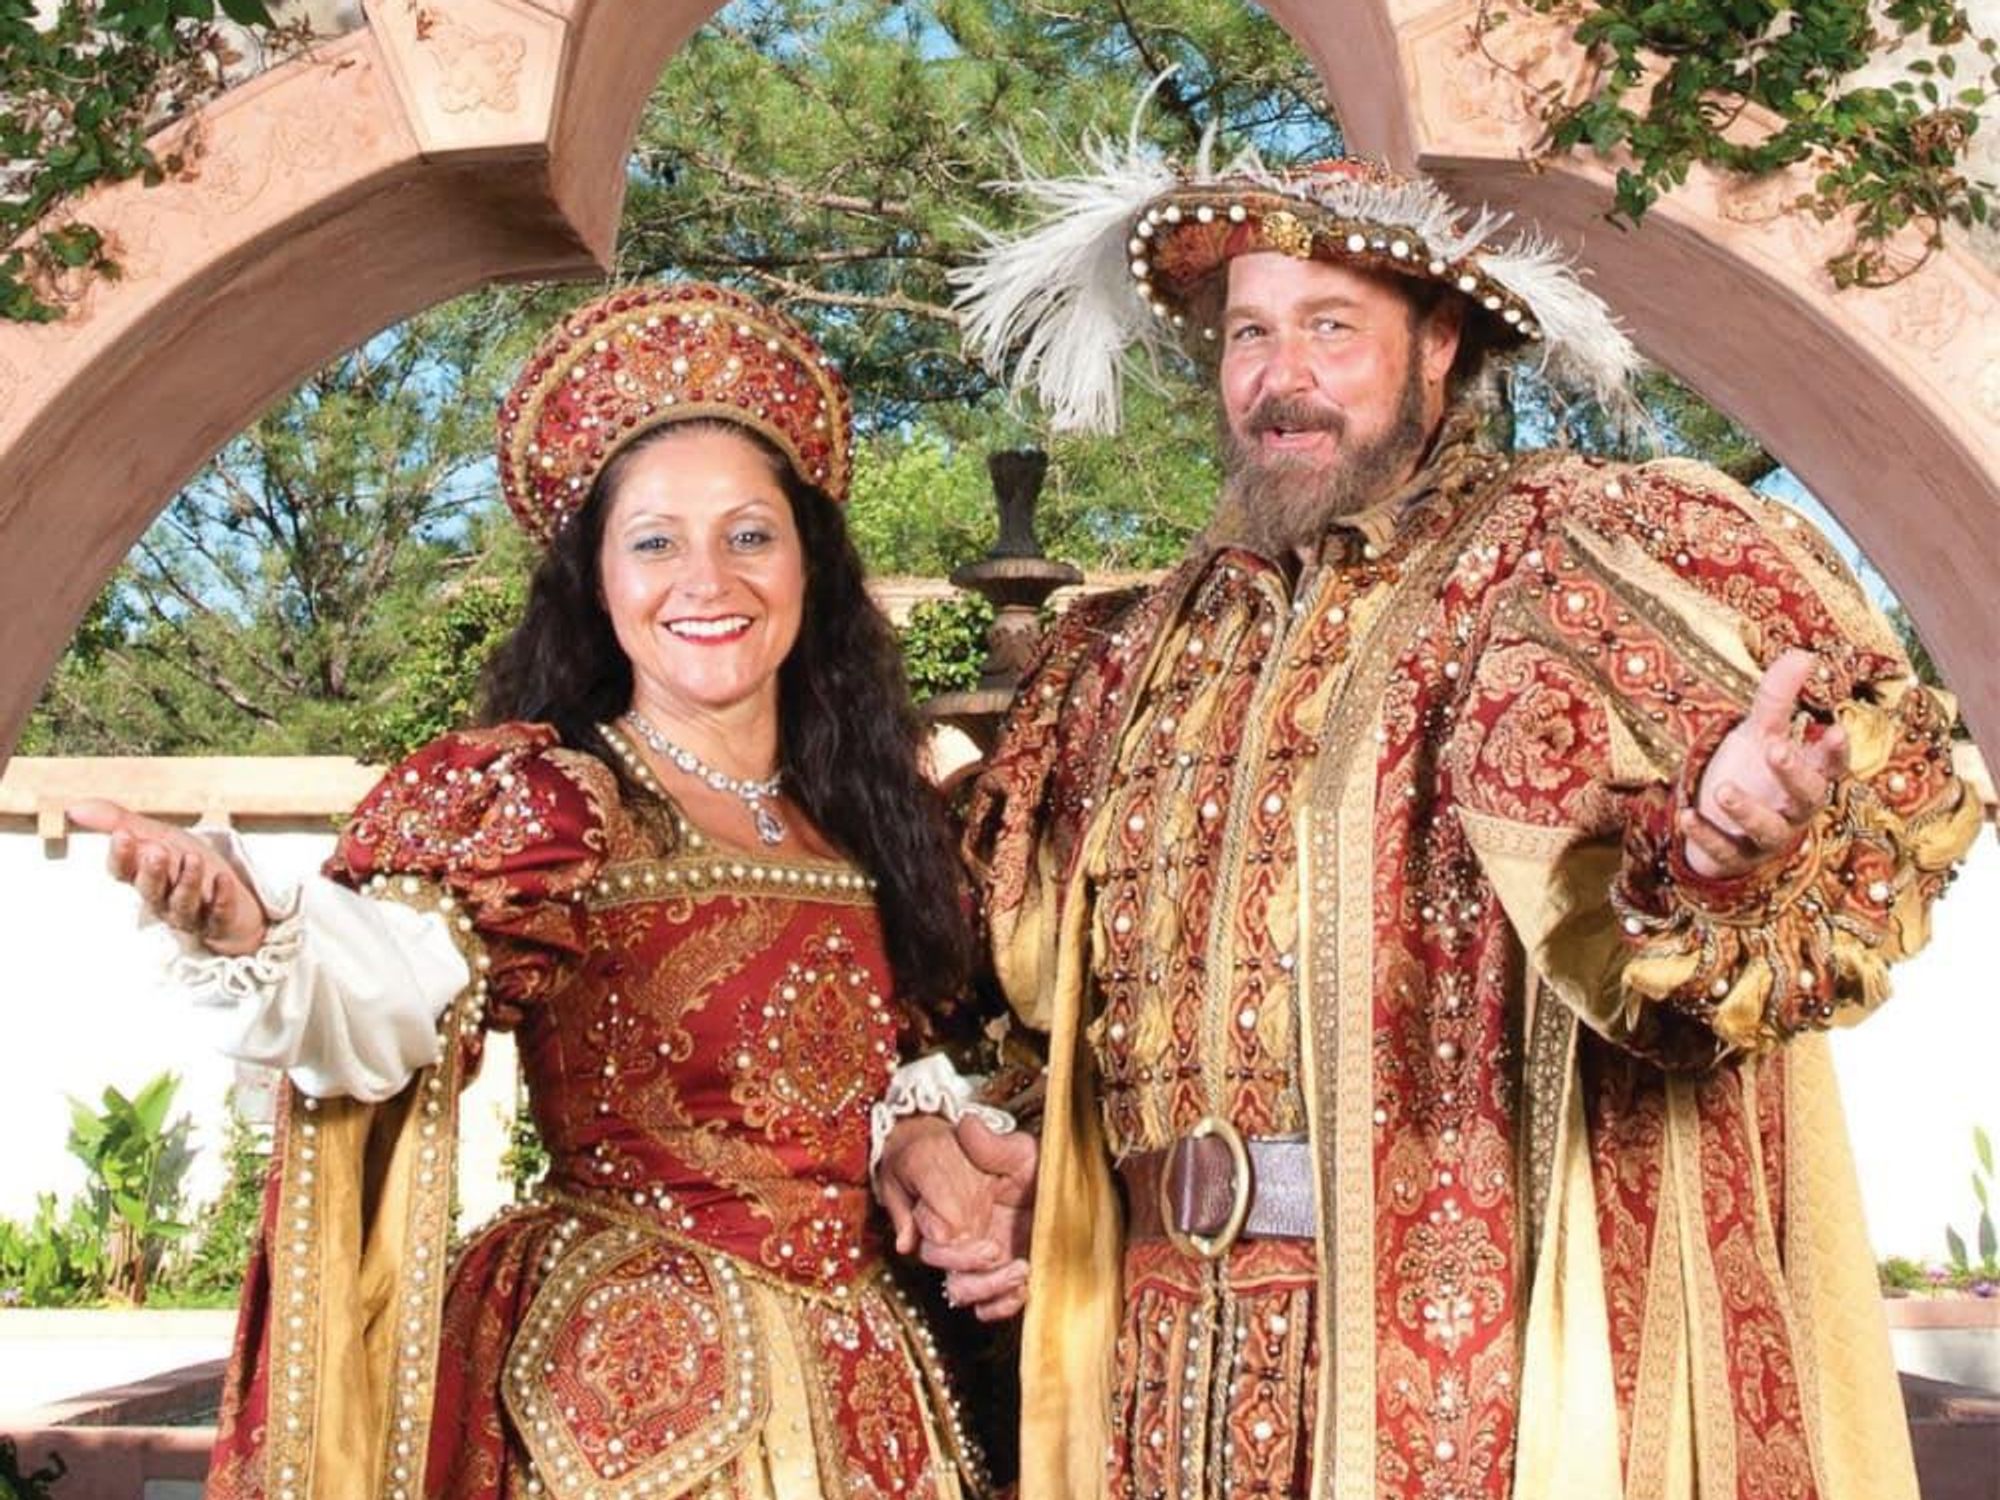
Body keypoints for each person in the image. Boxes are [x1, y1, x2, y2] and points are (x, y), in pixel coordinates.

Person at [915, 151, 1983, 1498]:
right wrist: (1004, 1158)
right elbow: (1035, 1009)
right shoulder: (1129, 660)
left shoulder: (1567, 559)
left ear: (1438, 344)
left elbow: (1767, 902)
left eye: (1330, 327)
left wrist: (1719, 854)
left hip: (1480, 1364)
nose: (1279, 376)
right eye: (1248, 333)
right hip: (1169, 1367)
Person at [69, 282, 1000, 1499]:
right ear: (596, 582)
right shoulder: (556, 802)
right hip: (618, 1387)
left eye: (749, 535)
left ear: (809, 566)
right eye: (654, 542)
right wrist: (258, 931)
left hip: (860, 1382)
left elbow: (878, 1065)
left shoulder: (870, 816)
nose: (706, 578)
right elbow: (397, 989)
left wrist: (916, 1138)